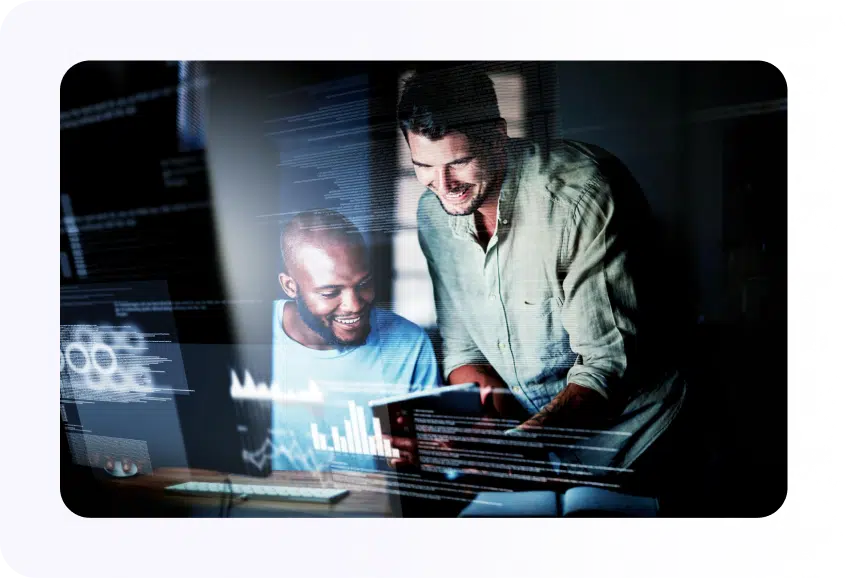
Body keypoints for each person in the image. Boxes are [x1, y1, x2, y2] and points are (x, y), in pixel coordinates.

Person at [395, 67, 689, 494]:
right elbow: (463, 349)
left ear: (496, 136)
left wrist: (511, 447)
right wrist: (490, 431)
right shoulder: (432, 212)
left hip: (639, 440)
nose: (444, 186)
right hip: (541, 446)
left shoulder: (583, 192)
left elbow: (606, 368)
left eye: (460, 162)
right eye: (424, 165)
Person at [268, 209, 440, 472]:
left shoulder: (410, 344)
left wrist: (426, 456)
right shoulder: (246, 336)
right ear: (290, 287)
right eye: (330, 292)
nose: (354, 305)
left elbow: (440, 458)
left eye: (363, 284)